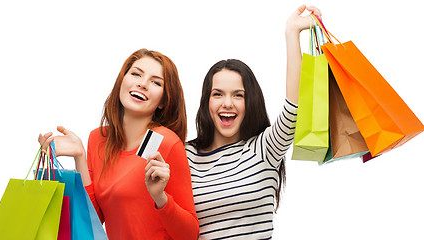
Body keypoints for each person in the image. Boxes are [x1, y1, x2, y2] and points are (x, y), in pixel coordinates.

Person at [186, 5, 321, 239]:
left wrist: (291, 33)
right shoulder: (185, 155)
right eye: (218, 94)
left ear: (251, 103)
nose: (227, 103)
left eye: (238, 95)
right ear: (206, 102)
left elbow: (294, 107)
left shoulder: (264, 148)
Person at [39, 49, 199, 240]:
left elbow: (189, 235)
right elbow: (93, 223)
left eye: (156, 82)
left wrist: (160, 197)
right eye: (136, 74)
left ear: (163, 101)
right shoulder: (98, 139)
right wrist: (80, 157)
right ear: (122, 80)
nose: (142, 83)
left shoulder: (163, 141)